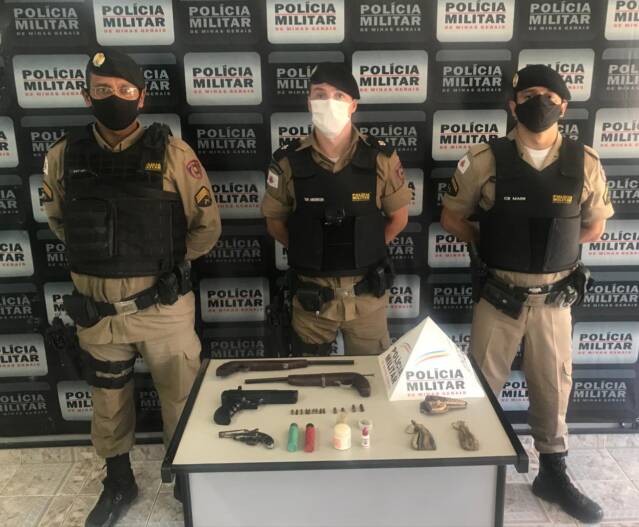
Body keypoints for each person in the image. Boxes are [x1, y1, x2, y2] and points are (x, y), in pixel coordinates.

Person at [43, 49, 221, 527]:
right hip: (98, 312)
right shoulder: (63, 156)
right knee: (107, 401)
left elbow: (206, 227)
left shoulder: (173, 154)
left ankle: (187, 480)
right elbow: (60, 221)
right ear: (86, 96)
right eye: (102, 89)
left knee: (180, 398)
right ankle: (119, 481)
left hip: (162, 307)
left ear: (141, 98)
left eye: (124, 90)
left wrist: (170, 266)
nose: (114, 98)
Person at [441, 64, 613, 523]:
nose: (540, 102)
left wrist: (553, 249)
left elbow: (595, 226)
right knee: (481, 386)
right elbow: (452, 218)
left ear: (564, 106)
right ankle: (470, 469)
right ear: (513, 104)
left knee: (553, 388)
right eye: (529, 94)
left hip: (554, 299)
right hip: (500, 295)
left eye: (550, 96)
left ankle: (552, 474)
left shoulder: (584, 161)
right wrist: (494, 242)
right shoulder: (484, 160)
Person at [261, 63, 410, 356]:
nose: (329, 102)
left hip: (366, 299)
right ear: (309, 102)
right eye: (320, 94)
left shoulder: (381, 158)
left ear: (353, 105)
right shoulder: (287, 161)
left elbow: (399, 219)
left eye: (339, 96)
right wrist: (313, 250)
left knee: (372, 377)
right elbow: (275, 224)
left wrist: (364, 246)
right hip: (312, 302)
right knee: (310, 379)